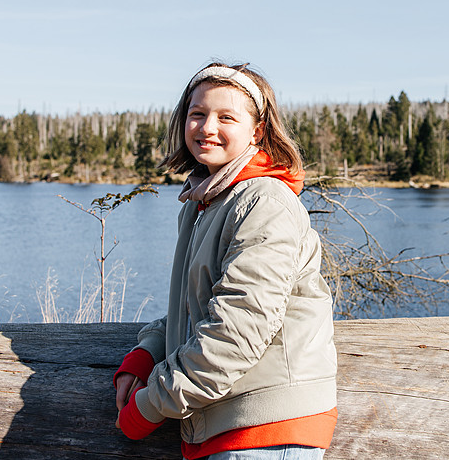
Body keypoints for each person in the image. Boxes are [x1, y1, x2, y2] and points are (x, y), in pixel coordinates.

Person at [113, 62, 338, 460]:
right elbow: (195, 306)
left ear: (258, 129)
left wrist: (151, 404)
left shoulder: (264, 202)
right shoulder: (208, 201)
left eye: (226, 116)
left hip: (265, 433)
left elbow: (238, 329)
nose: (207, 127)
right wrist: (148, 352)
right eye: (197, 114)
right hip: (231, 426)